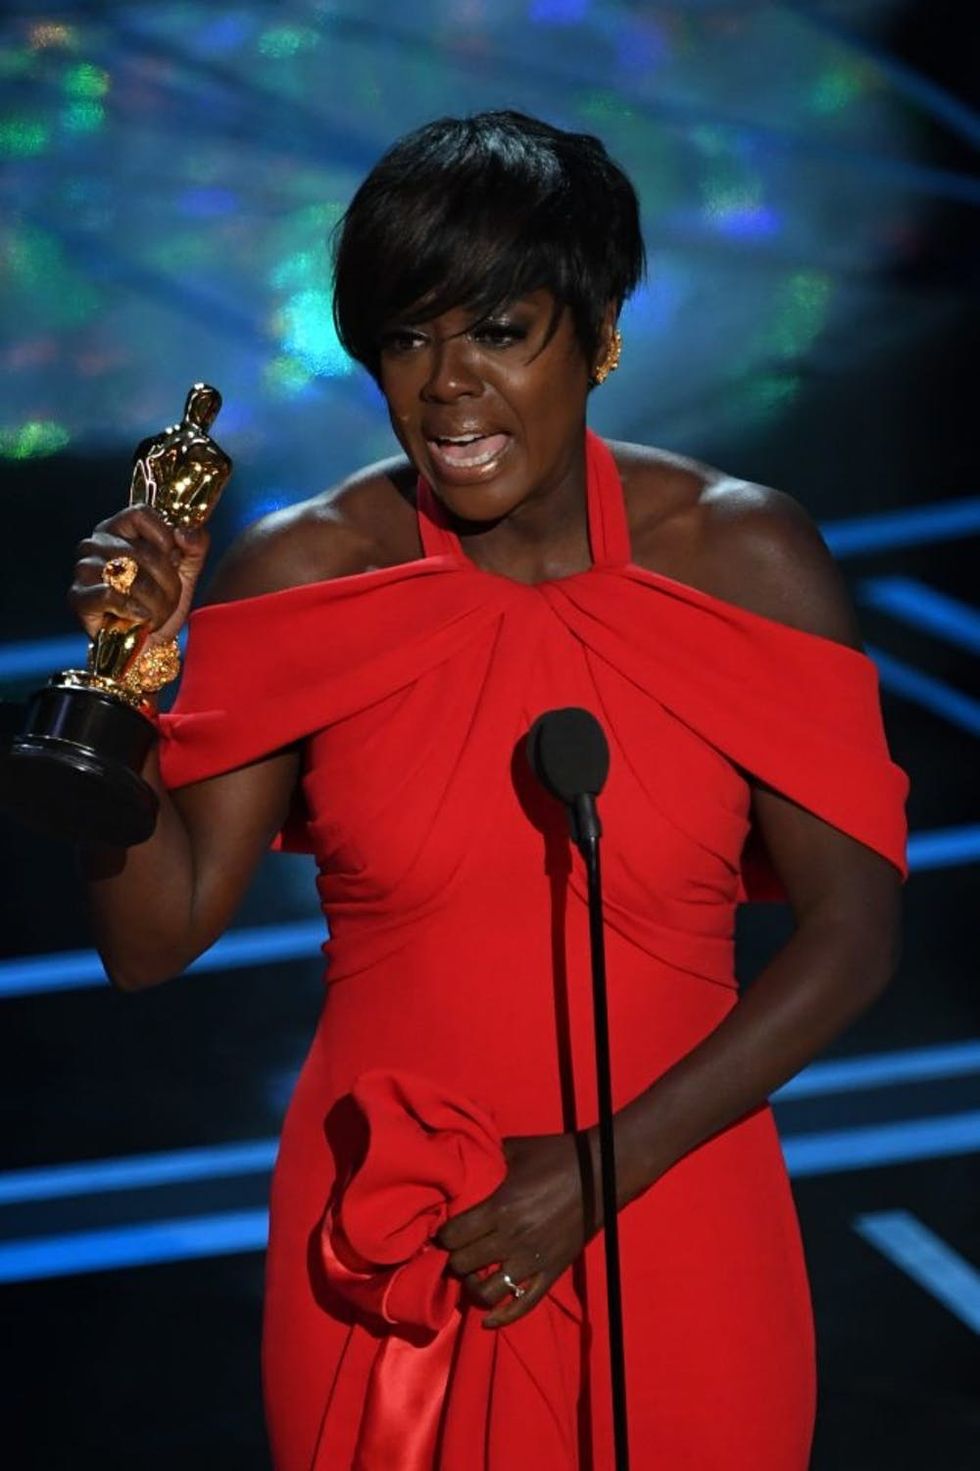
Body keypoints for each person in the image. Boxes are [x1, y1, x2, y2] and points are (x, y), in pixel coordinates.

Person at [71, 111, 909, 1469]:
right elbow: (150, 940)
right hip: (388, 1232)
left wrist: (594, 1173)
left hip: (671, 1201)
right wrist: (120, 681)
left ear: (599, 332)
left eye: (499, 332)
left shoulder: (741, 557)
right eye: (408, 339)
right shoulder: (309, 573)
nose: (447, 389)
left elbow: (853, 934)